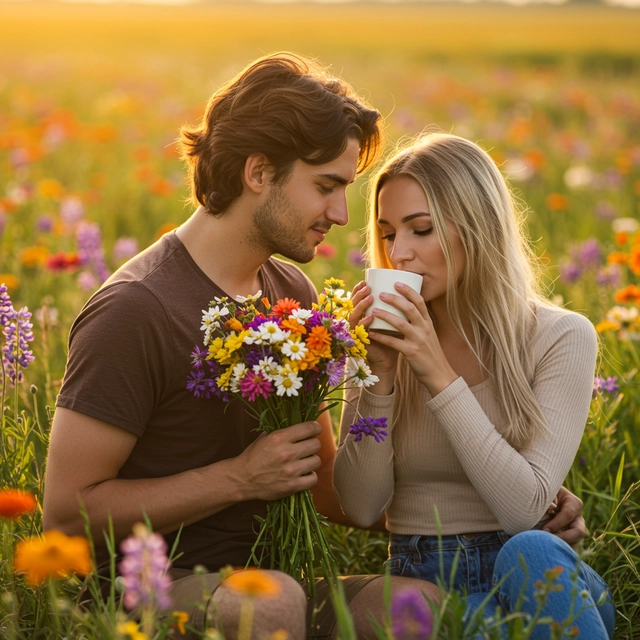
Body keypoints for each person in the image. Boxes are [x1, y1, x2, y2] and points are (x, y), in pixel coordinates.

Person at [42, 54, 587, 640]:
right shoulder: (136, 309)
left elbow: (335, 490)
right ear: (258, 173)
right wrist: (238, 479)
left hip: (281, 578)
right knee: (269, 605)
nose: (341, 214)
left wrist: (519, 499)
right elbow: (67, 516)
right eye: (326, 186)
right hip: (152, 584)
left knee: (420, 608)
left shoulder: (289, 292)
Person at [333, 132, 615, 638]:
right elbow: (361, 503)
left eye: (421, 230)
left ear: (479, 228)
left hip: (532, 572)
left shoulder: (560, 336)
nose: (400, 253)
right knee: (454, 622)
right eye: (389, 233)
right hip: (422, 580)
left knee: (530, 549)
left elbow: (522, 508)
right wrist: (378, 374)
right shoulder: (383, 344)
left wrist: (436, 371)